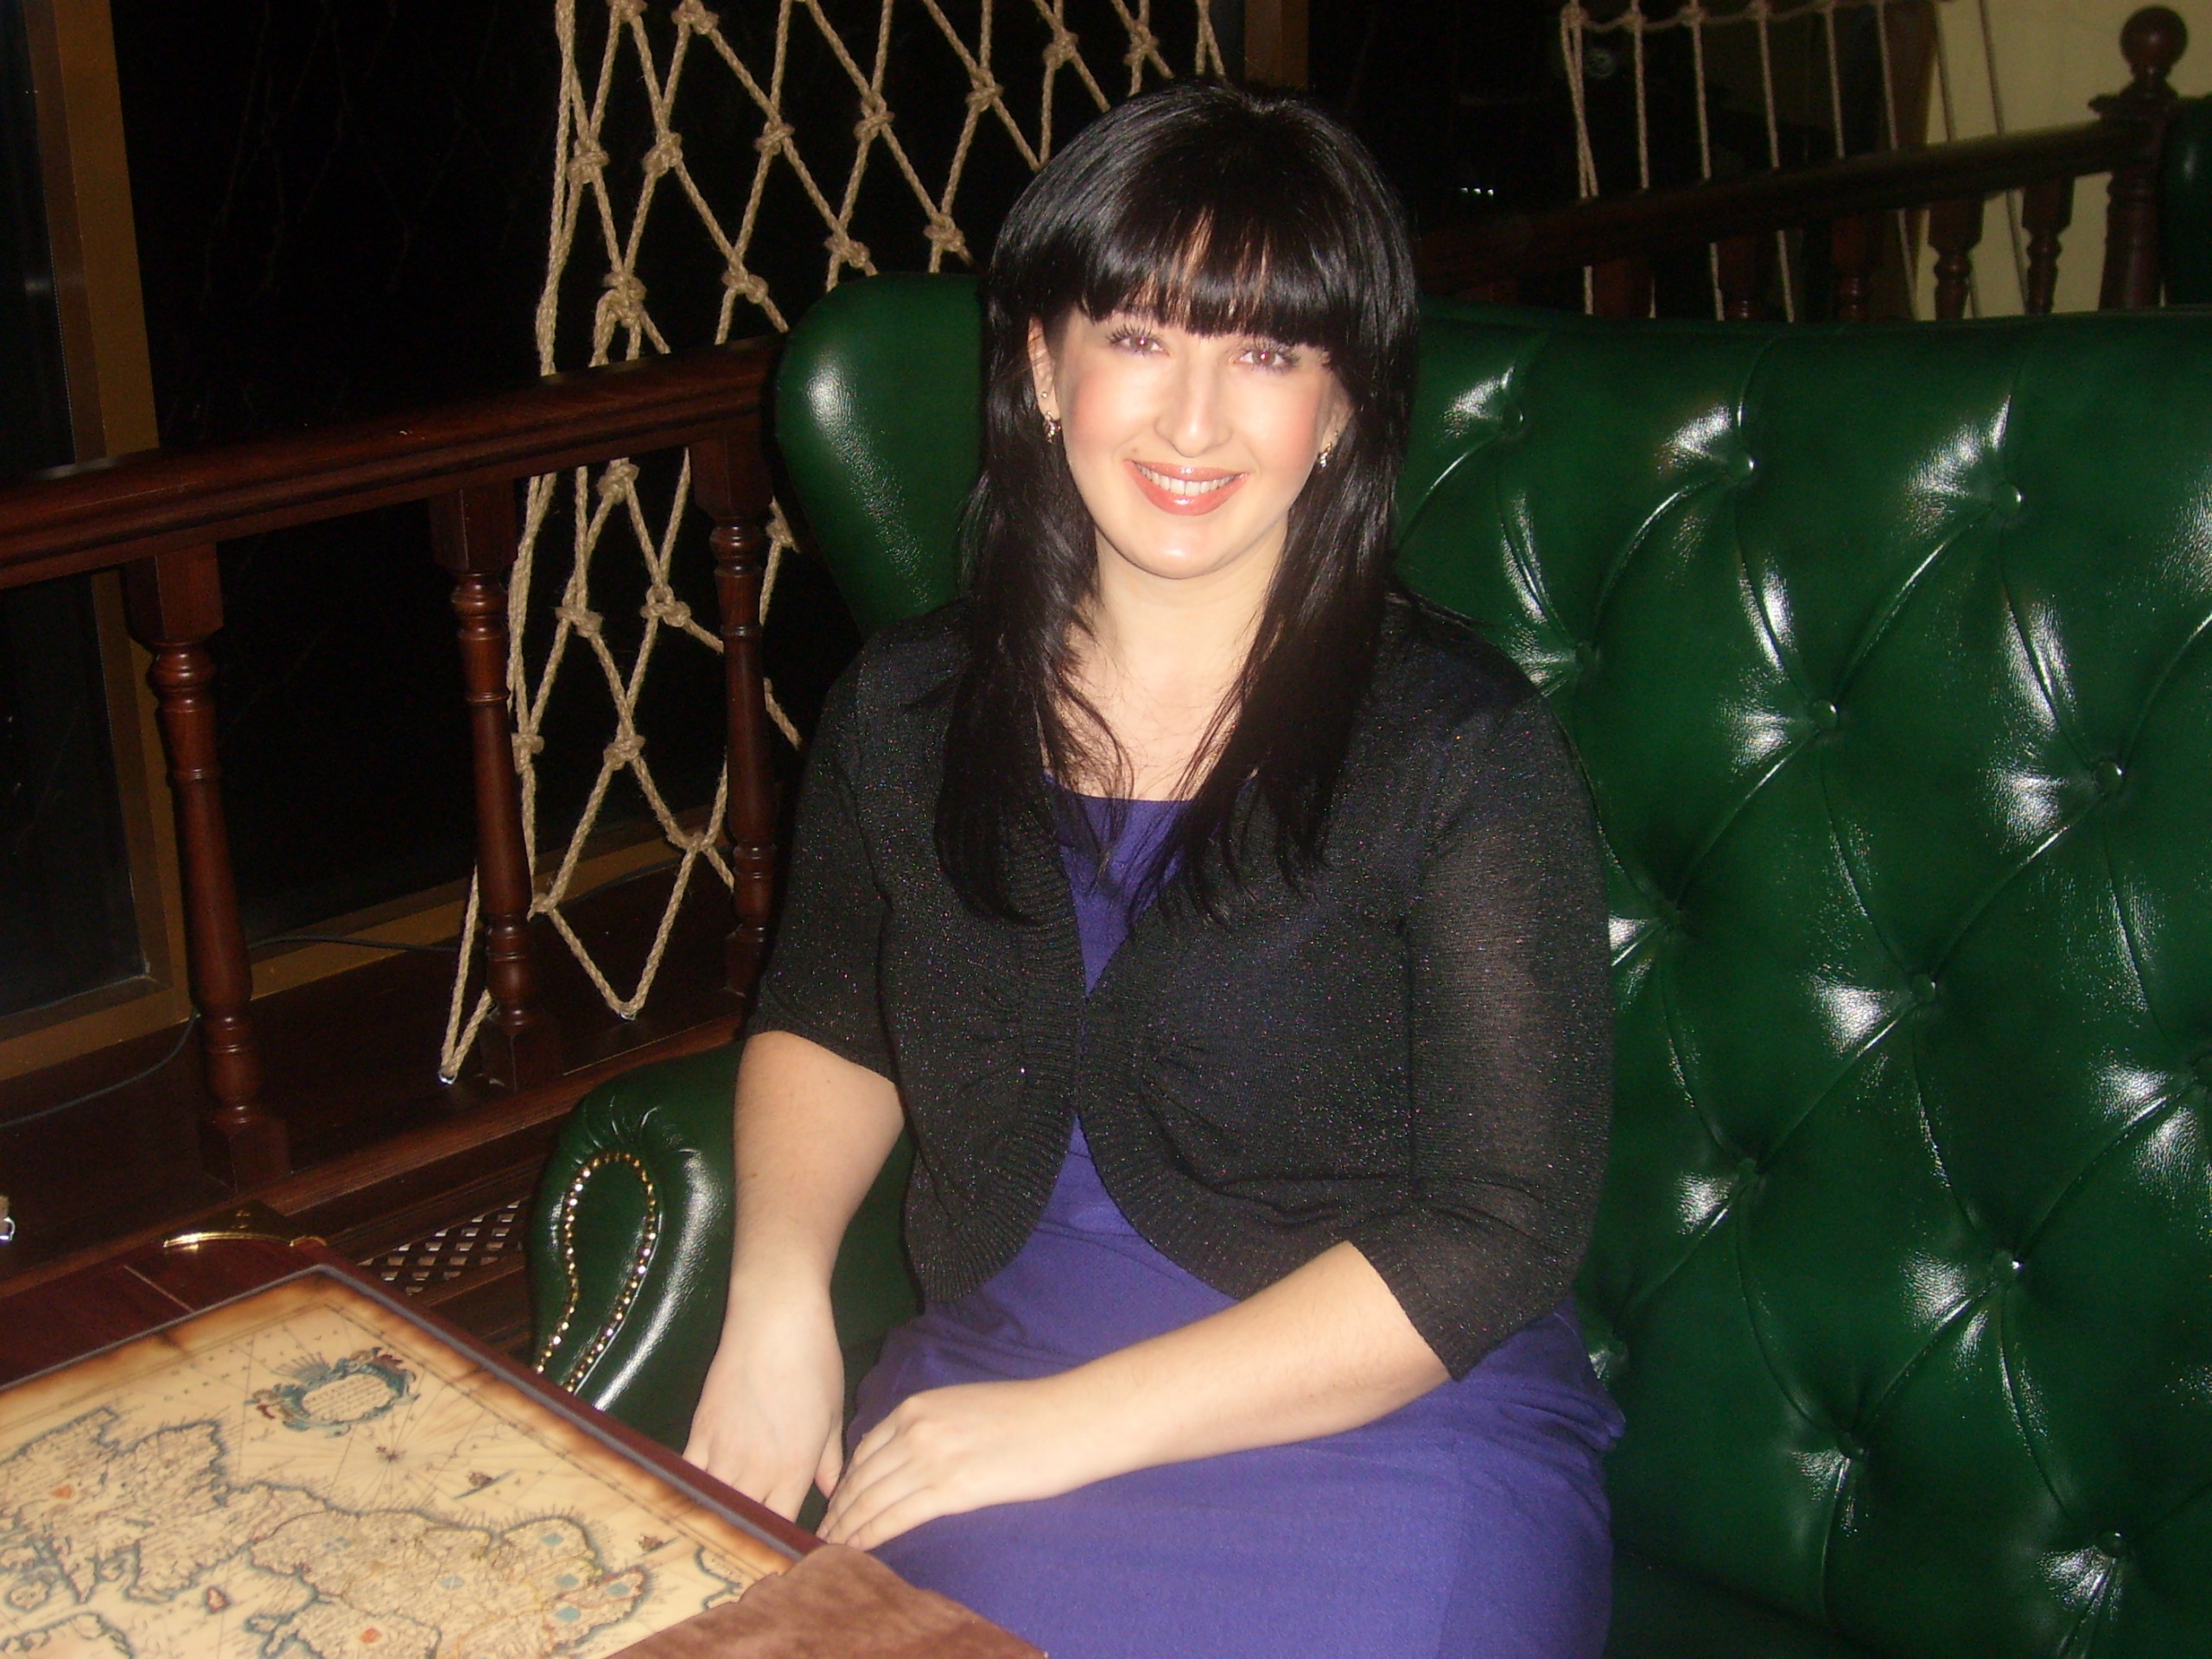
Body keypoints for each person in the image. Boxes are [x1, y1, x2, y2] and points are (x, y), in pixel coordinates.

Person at [683, 80, 1623, 1659]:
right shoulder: (907, 709)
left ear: (1342, 408)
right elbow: (834, 1015)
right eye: (1139, 335)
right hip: (1001, 1369)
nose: (1195, 422)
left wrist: (1069, 1427)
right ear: (1042, 367)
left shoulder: (1460, 746)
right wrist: (776, 1302)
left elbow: (1502, 1227)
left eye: (1267, 354)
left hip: (1396, 1416)